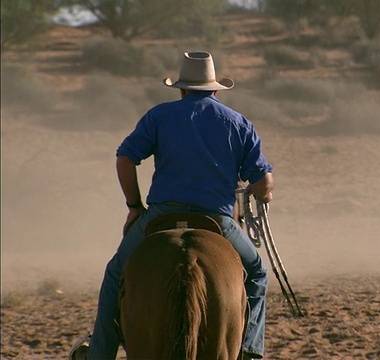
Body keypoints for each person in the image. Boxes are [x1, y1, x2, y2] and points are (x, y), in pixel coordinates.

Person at [73, 51, 273, 360]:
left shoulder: (159, 116)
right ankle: (250, 351)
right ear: (215, 89)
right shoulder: (238, 123)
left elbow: (125, 159)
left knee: (116, 273)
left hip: (163, 214)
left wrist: (134, 206)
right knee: (257, 274)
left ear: (181, 89)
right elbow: (263, 182)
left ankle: (99, 354)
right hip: (218, 220)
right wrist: (263, 194)